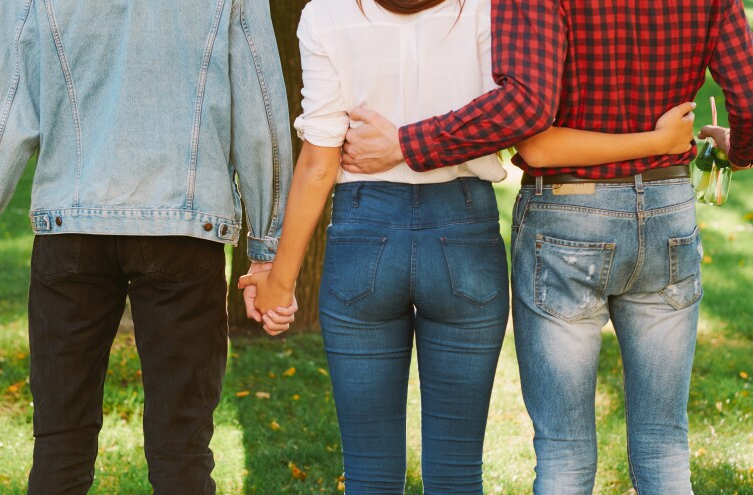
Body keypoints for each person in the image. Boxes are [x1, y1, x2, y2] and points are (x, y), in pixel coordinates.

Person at [238, 0, 697, 492]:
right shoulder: (489, 9)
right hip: (463, 232)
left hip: (364, 232)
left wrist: (278, 283)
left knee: (369, 472)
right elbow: (509, 117)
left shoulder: (325, 15)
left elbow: (318, 163)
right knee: (457, 473)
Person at [337, 0, 753, 493]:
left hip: (566, 215)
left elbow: (527, 110)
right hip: (668, 212)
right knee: (665, 444)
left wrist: (409, 142)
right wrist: (740, 149)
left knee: (564, 452)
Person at [0, 1, 297, 493]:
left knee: (60, 449)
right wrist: (268, 251)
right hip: (185, 231)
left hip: (70, 229)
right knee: (183, 452)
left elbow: (5, 101)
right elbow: (261, 106)